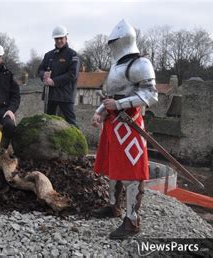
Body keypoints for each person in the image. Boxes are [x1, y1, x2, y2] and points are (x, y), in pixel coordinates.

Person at [91, 20, 158, 239]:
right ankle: (113, 206)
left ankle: (132, 221)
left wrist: (118, 105)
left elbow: (151, 95)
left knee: (131, 174)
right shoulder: (116, 67)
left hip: (130, 125)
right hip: (113, 123)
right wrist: (100, 110)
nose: (112, 45)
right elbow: (110, 97)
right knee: (113, 168)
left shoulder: (141, 64)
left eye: (114, 41)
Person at [38, 25, 80, 126]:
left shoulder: (73, 55)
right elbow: (40, 69)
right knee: (48, 123)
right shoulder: (48, 55)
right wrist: (44, 75)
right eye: (57, 39)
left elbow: (72, 74)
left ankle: (78, 142)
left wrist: (54, 81)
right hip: (50, 95)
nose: (59, 41)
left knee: (71, 123)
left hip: (65, 95)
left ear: (66, 38)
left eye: (61, 38)